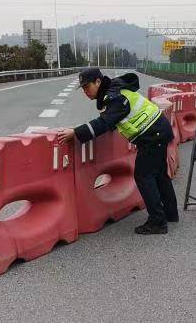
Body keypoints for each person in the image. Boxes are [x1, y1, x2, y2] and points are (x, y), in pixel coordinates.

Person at [57, 68, 178, 235]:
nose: (85, 92)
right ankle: (171, 214)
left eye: (87, 87)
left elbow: (104, 122)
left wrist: (75, 133)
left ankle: (157, 222)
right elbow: (115, 118)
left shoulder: (114, 96)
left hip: (152, 136)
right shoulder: (115, 91)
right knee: (159, 175)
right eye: (83, 89)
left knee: (143, 176)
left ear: (98, 82)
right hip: (158, 130)